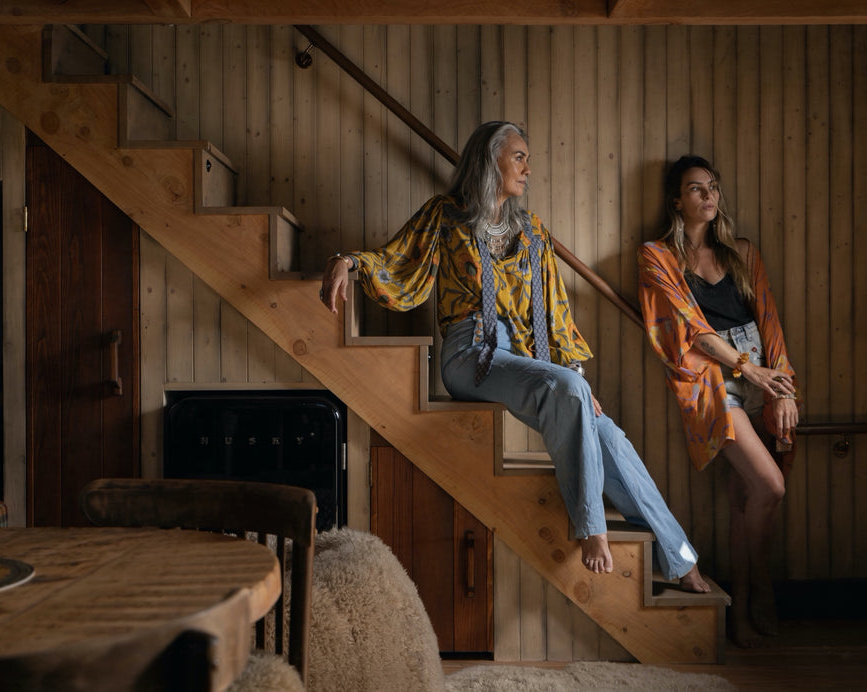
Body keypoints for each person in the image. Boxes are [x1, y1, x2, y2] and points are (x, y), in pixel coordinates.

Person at [320, 121, 709, 592]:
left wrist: (577, 379)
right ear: (490, 160)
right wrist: (351, 260)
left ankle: (681, 556)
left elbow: (556, 311)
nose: (528, 168)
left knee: (605, 429)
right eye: (519, 156)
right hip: (469, 354)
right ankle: (591, 528)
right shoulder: (446, 215)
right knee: (568, 390)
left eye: (528, 158)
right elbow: (397, 259)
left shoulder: (532, 231)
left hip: (525, 358)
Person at [637, 155, 800, 646]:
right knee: (770, 488)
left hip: (762, 375)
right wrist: (746, 368)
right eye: (696, 189)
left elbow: (769, 321)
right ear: (676, 201)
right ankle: (757, 590)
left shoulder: (742, 252)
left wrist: (785, 385)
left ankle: (741, 606)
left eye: (713, 188)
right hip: (713, 381)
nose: (709, 197)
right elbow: (692, 329)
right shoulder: (657, 255)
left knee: (744, 496)